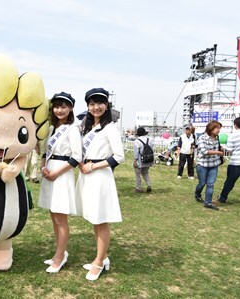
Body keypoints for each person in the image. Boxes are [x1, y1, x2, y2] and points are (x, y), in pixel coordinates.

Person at [76, 87, 125, 281]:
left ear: (106, 105)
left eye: (100, 103)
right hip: (87, 176)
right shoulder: (87, 127)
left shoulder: (110, 127)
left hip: (99, 177)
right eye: (92, 103)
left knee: (100, 220)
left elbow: (119, 156)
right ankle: (103, 258)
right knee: (94, 220)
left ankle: (98, 262)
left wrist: (93, 167)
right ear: (88, 106)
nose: (96, 107)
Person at [38, 92, 82, 273]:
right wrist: (43, 167)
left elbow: (77, 156)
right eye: (56, 106)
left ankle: (60, 256)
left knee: (61, 218)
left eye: (63, 106)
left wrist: (56, 172)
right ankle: (59, 252)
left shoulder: (73, 129)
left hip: (62, 174)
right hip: (49, 173)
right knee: (53, 216)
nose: (59, 110)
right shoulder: (50, 129)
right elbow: (45, 152)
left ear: (70, 108)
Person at [195, 120, 224, 210]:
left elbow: (217, 149)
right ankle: (197, 193)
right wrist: (217, 152)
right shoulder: (202, 138)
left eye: (219, 128)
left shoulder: (217, 138)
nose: (218, 130)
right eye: (217, 128)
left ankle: (208, 202)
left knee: (210, 184)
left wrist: (221, 149)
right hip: (202, 165)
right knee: (202, 183)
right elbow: (204, 151)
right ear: (211, 128)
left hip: (214, 165)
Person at [133, 127, 154, 193]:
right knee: (145, 173)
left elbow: (136, 152)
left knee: (138, 174)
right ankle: (148, 185)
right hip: (148, 159)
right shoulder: (150, 140)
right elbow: (152, 150)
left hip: (140, 160)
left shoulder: (137, 141)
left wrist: (135, 161)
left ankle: (139, 188)